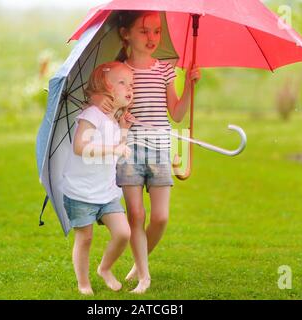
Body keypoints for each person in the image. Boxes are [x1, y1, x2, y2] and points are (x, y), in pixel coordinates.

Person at [91, 11, 201, 293]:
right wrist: (117, 116)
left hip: (160, 148)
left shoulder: (165, 69)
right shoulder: (118, 72)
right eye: (144, 31)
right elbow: (112, 115)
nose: (152, 37)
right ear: (126, 33)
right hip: (129, 150)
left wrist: (189, 86)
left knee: (161, 217)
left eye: (156, 31)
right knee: (136, 215)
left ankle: (138, 263)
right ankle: (144, 276)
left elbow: (176, 113)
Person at [61, 61, 135, 295]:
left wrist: (123, 129)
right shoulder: (91, 114)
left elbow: (117, 148)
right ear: (105, 87)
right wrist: (113, 147)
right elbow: (80, 146)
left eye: (131, 83)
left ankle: (105, 268)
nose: (129, 88)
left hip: (106, 191)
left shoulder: (114, 119)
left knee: (123, 233)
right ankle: (83, 283)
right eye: (121, 82)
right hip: (81, 191)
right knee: (85, 238)